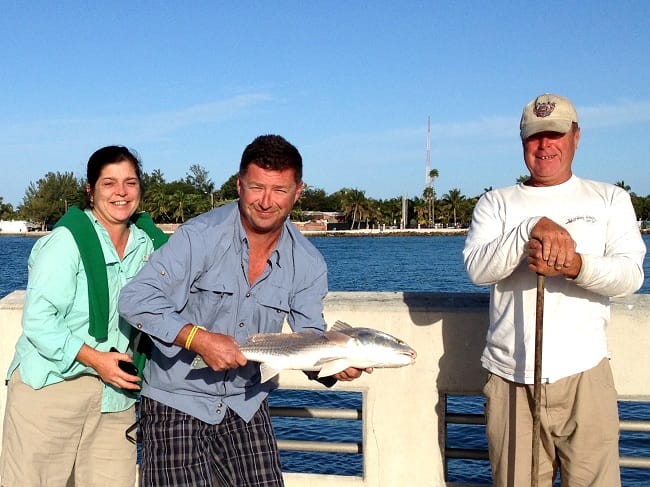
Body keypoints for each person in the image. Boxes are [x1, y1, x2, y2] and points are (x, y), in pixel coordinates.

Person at [118, 134, 368, 487]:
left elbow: (309, 336)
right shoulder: (199, 236)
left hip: (245, 401)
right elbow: (136, 298)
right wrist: (197, 338)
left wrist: (333, 369)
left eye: (280, 190)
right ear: (239, 186)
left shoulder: (309, 263)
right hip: (177, 399)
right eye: (256, 188)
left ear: (298, 192)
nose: (266, 201)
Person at [463, 93, 646, 486]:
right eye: (534, 136)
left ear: (576, 136)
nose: (545, 145)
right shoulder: (496, 203)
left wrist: (576, 265)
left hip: (586, 375)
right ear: (522, 141)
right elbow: (478, 268)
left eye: (555, 134)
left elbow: (630, 276)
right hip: (510, 377)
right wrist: (531, 228)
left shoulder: (611, 199)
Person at [0, 146, 167, 486]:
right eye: (109, 183)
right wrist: (96, 360)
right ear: (91, 191)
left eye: (130, 182)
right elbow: (39, 320)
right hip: (52, 387)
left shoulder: (148, 245)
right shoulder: (66, 242)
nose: (121, 192)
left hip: (116, 393)